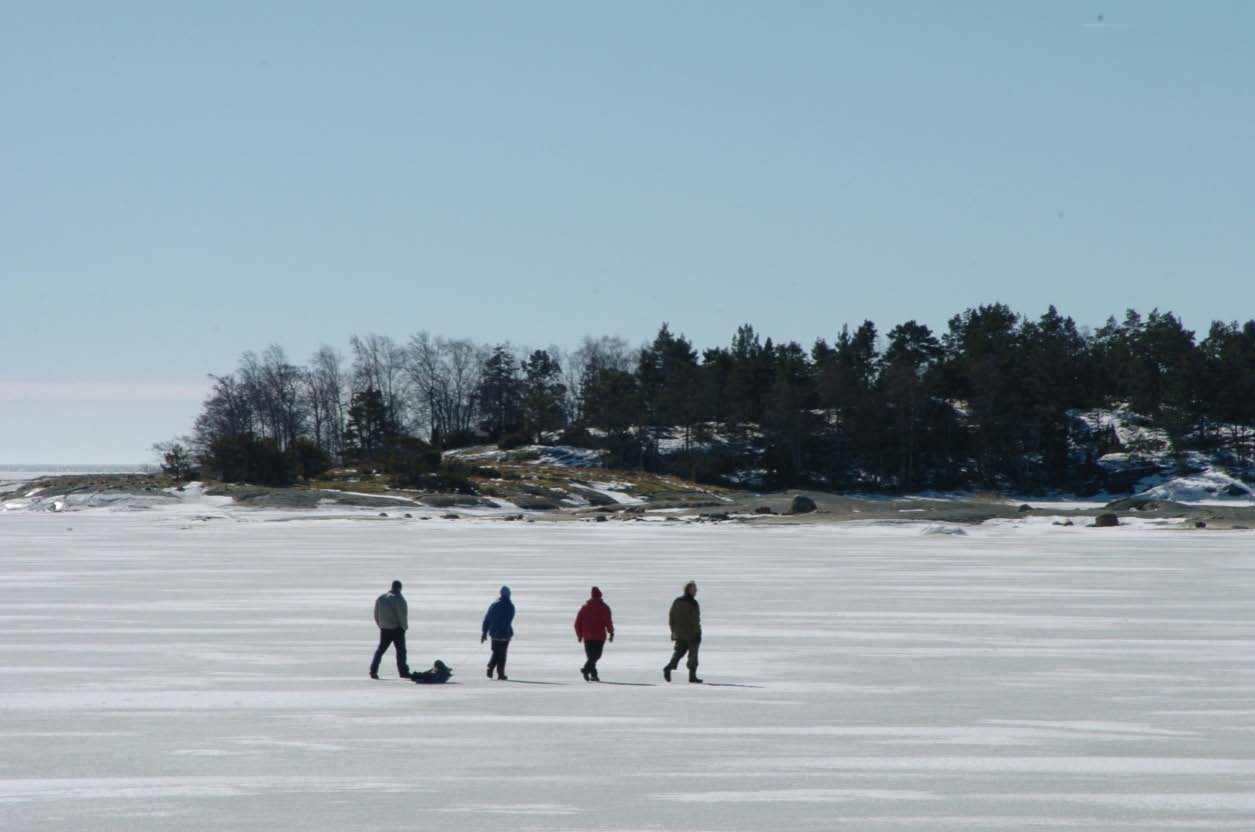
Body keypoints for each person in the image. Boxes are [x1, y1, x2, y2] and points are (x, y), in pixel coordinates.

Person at [370, 580, 410, 679]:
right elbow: (402, 615)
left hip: (384, 629)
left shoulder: (381, 598)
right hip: (397, 629)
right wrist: (404, 627)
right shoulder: (399, 599)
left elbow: (376, 614)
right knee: (401, 651)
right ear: (400, 588)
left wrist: (381, 625)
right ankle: (403, 672)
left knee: (380, 650)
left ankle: (373, 670)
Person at [574, 586, 615, 682]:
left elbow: (577, 624)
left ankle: (593, 675)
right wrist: (611, 632)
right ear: (600, 595)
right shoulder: (604, 607)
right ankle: (586, 669)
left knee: (591, 657)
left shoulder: (584, 608)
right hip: (599, 636)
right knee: (596, 656)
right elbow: (608, 622)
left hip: (587, 636)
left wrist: (579, 635)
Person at [664, 580, 702, 683]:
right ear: (689, 590)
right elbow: (695, 620)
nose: (696, 591)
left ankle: (668, 667)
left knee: (679, 652)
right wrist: (697, 633)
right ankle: (692, 676)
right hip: (691, 634)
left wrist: (673, 631)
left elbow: (671, 617)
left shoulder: (677, 601)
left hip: (679, 633)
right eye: (694, 589)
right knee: (693, 655)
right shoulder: (693, 603)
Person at [481, 586, 515, 681]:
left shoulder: (494, 605)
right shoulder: (510, 605)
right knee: (502, 654)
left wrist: (484, 632)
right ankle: (500, 673)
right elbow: (509, 619)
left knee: (496, 652)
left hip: (495, 634)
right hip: (505, 634)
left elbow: (487, 619)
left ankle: (491, 668)